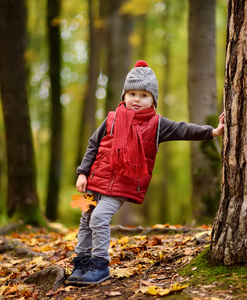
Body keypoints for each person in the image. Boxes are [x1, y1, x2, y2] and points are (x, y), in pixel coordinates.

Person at [68, 60, 225, 286]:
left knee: (100, 218)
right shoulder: (112, 118)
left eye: (143, 95)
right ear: (124, 95)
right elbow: (93, 144)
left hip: (122, 184)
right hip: (94, 180)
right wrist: (82, 173)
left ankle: (100, 264)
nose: (136, 99)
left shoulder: (157, 124)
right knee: (86, 219)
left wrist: (213, 132)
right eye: (132, 93)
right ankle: (82, 262)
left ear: (153, 100)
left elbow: (184, 129)